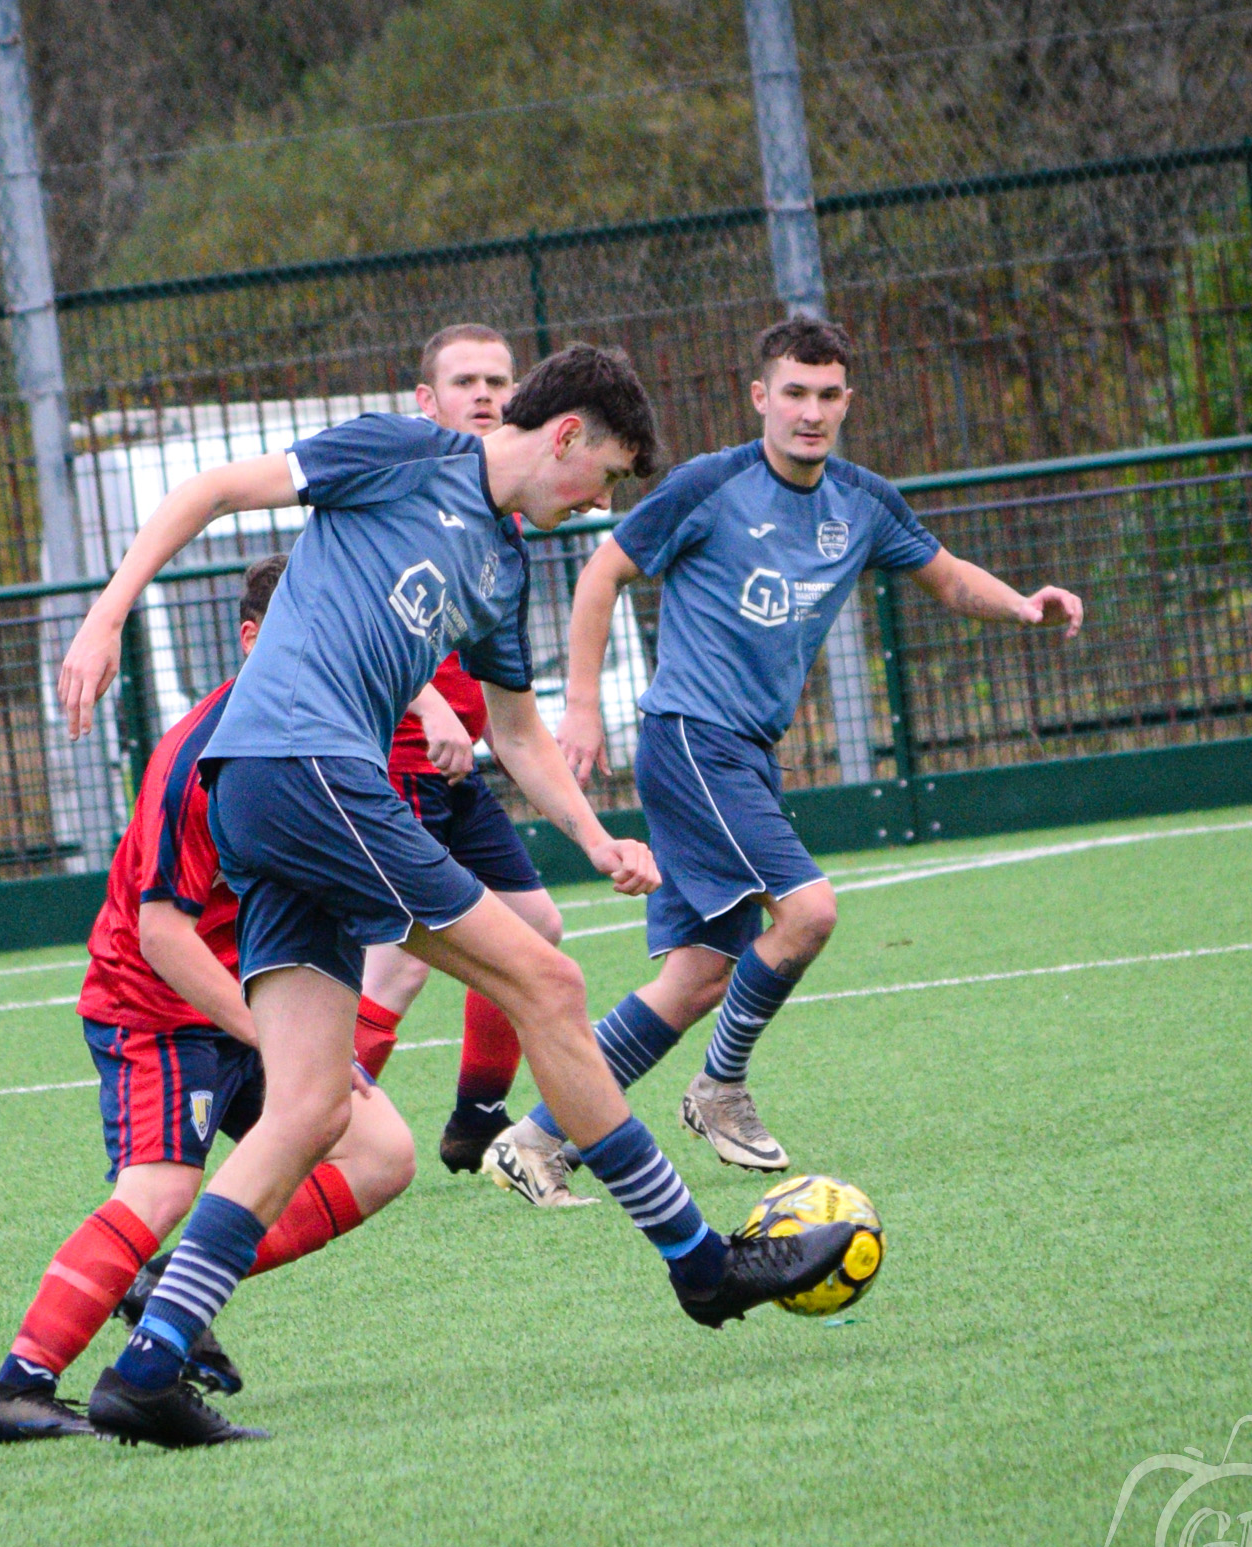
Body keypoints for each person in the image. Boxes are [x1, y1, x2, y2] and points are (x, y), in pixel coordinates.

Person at [57, 343, 861, 1447]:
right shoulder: (401, 452)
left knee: (305, 1106)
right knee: (547, 977)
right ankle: (697, 1261)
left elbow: (517, 732)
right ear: (567, 433)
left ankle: (145, 1368)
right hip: (300, 767)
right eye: (601, 476)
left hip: (285, 793)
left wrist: (593, 837)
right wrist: (108, 612)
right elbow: (205, 489)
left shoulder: (502, 566)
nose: (594, 504)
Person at [485, 317, 1085, 1203]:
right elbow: (601, 571)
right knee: (807, 912)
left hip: (747, 755)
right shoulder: (709, 486)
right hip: (692, 738)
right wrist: (579, 706)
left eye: (827, 395)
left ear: (847, 401)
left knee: (696, 980)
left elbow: (948, 576)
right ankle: (719, 1088)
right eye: (793, 393)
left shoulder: (862, 502)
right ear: (761, 396)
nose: (810, 412)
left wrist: (1025, 607)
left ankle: (534, 1139)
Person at [0, 556, 414, 1446]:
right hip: (158, 1003)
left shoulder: (329, 733)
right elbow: (164, 935)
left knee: (383, 1154)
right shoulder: (199, 753)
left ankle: (171, 1283)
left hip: (253, 996)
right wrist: (280, 1038)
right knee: (162, 1186)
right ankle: (16, 1388)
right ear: (252, 641)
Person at [351, 324, 576, 1191]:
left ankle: (476, 1119)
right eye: (464, 380)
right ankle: (322, 1126)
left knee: (536, 928)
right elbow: (343, 606)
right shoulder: (407, 481)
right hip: (391, 763)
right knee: (399, 961)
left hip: (460, 770)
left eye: (498, 380)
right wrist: (425, 694)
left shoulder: (508, 505)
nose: (484, 394)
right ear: (425, 401)